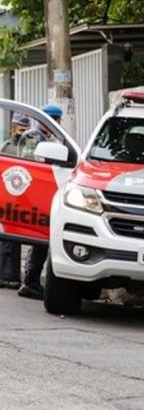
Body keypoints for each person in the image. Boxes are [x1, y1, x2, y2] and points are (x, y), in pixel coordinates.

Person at [18, 104, 61, 300]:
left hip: (40, 192)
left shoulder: (44, 137)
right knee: (40, 236)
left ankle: (31, 280)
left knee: (41, 238)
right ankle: (30, 281)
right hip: (33, 193)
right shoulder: (34, 137)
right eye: (55, 120)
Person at [0, 113, 33, 289]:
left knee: (13, 240)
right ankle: (6, 276)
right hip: (8, 200)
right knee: (8, 241)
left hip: (17, 200)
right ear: (13, 129)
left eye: (27, 131)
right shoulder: (9, 148)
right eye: (21, 130)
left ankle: (11, 276)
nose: (24, 134)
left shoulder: (23, 147)